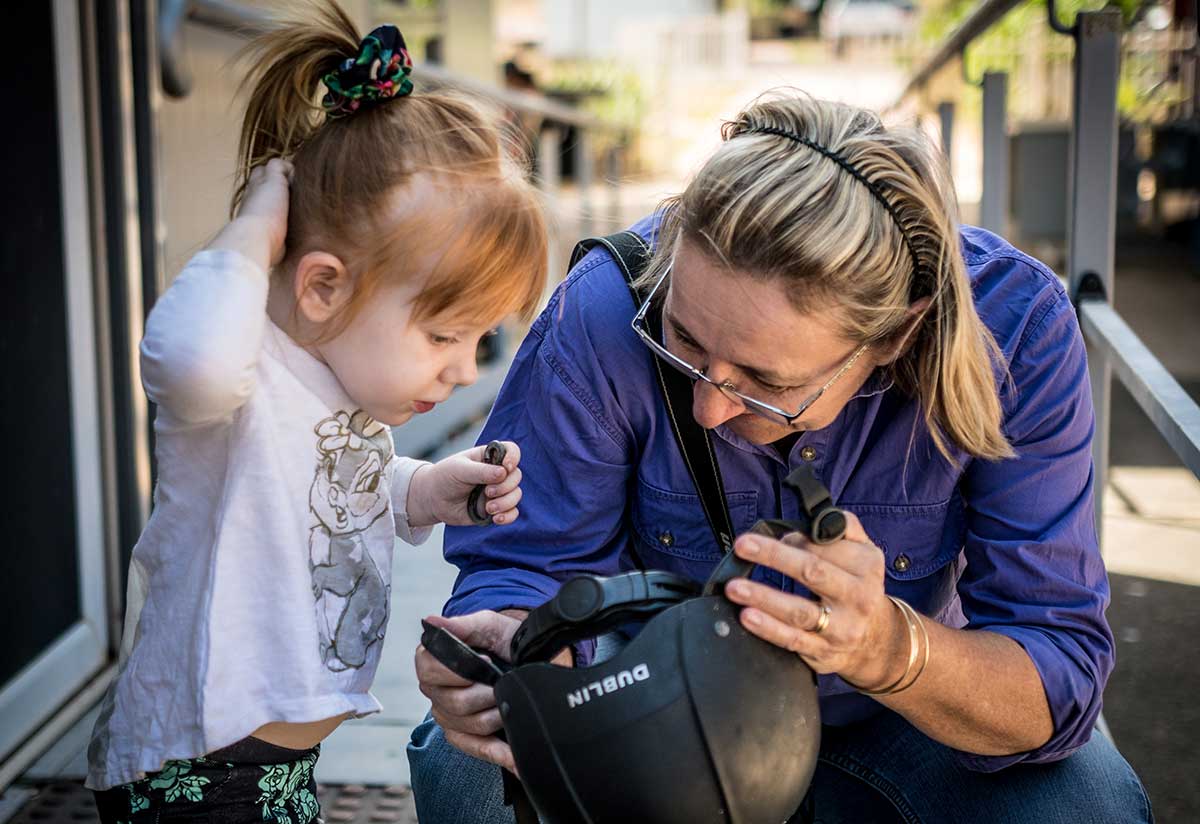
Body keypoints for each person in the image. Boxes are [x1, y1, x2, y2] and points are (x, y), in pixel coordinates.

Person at [408, 92, 1153, 822]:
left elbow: (1055, 669)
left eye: (769, 384)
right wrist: (516, 651)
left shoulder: (1015, 330)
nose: (709, 407)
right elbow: (523, 562)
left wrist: (889, 647)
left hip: (895, 724)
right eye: (685, 342)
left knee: (1088, 806)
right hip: (647, 703)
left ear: (893, 337)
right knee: (469, 772)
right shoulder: (603, 308)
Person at [84, 4, 546, 822]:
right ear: (323, 286)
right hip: (196, 772)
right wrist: (256, 228)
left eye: (480, 338)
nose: (465, 367)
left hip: (275, 771)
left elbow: (324, 482)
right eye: (444, 333)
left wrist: (422, 489)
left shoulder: (338, 387)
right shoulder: (240, 376)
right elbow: (181, 360)